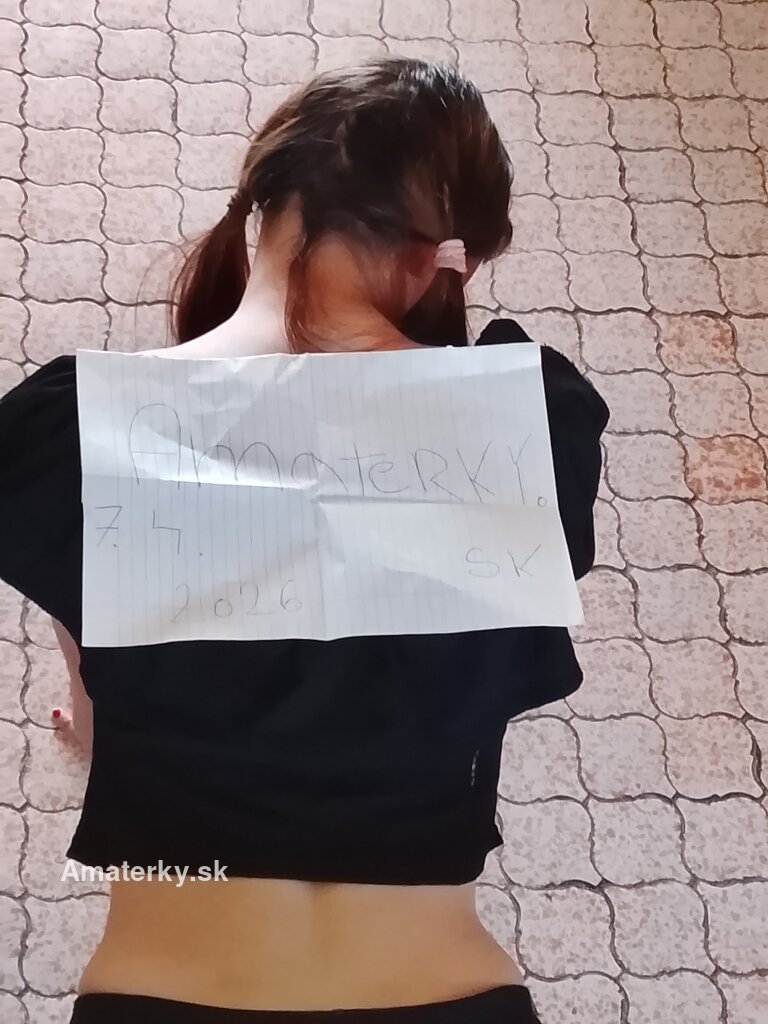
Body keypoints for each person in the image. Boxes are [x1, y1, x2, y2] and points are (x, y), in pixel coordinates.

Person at [0, 60, 608, 1024]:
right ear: (449, 257)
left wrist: (99, 727)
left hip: (162, 992)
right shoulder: (533, 422)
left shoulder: (71, 429)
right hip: (451, 994)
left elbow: (96, 681)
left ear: (262, 207)